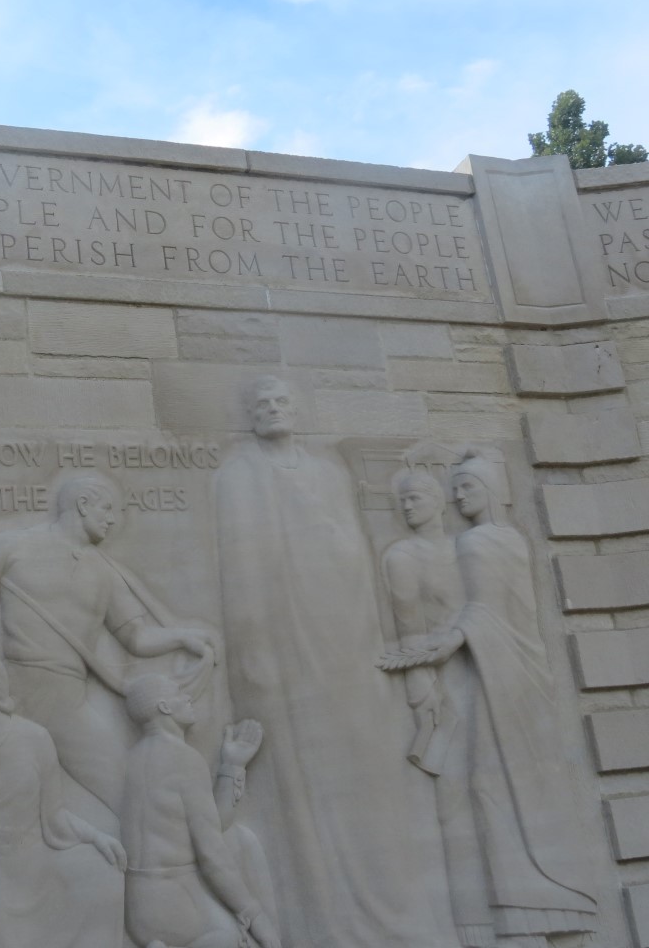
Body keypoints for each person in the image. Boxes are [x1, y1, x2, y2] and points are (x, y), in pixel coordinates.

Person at [214, 375, 456, 948]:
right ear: (250, 415)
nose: (272, 409)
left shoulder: (328, 472)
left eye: (281, 401)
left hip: (348, 647)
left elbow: (352, 557)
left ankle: (398, 914)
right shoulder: (237, 476)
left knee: (372, 777)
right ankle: (327, 923)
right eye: (262, 403)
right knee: (308, 784)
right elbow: (241, 578)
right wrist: (256, 658)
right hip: (286, 651)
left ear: (295, 411)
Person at [0, 474, 214, 813]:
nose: (113, 519)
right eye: (107, 509)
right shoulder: (13, 546)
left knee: (127, 789)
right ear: (83, 505)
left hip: (69, 698)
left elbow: (135, 637)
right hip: (18, 690)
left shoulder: (105, 572)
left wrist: (183, 636)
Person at [380, 450, 598, 943]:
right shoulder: (460, 545)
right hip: (477, 675)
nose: (459, 496)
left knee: (489, 785)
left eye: (467, 488)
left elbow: (490, 611)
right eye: (455, 488)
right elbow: (467, 613)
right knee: (472, 791)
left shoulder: (482, 542)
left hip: (505, 674)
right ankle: (490, 915)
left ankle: (536, 902)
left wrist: (448, 643)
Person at [0, 651, 126, 948]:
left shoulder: (34, 737)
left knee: (101, 871)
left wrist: (97, 836)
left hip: (35, 861)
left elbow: (54, 815)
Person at [381, 468, 494, 946]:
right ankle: (469, 922)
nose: (406, 506)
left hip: (482, 670)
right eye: (401, 500)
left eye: (416, 498)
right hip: (438, 680)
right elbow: (407, 626)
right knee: (451, 798)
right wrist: (420, 688)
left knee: (490, 789)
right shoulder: (401, 555)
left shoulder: (467, 548)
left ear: (437, 501)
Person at [121, 673, 281, 948]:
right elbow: (211, 853)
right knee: (238, 940)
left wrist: (232, 766)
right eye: (179, 693)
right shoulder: (183, 758)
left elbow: (211, 824)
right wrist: (255, 914)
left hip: (139, 908)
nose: (188, 697)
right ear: (165, 707)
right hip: (178, 904)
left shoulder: (133, 758)